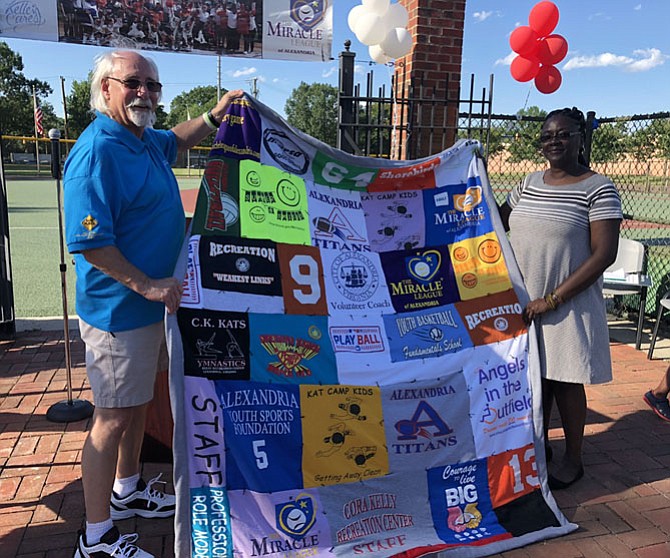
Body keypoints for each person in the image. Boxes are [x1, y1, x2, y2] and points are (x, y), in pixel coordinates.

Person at [64, 49, 243, 558]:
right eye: (133, 83)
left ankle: (126, 492)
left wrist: (213, 115)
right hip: (121, 312)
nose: (144, 92)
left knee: (138, 404)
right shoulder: (98, 150)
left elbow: (179, 139)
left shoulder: (141, 139)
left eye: (152, 85)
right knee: (112, 417)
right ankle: (96, 538)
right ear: (105, 90)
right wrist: (146, 285)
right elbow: (89, 242)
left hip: (149, 311)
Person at [498, 107, 622, 490]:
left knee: (566, 382)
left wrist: (551, 299)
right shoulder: (528, 182)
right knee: (536, 380)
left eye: (564, 134)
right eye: (548, 135)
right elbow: (497, 219)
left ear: (580, 138)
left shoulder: (598, 187)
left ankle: (573, 459)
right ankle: (541, 447)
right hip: (526, 300)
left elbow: (604, 254)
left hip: (566, 301)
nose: (554, 141)